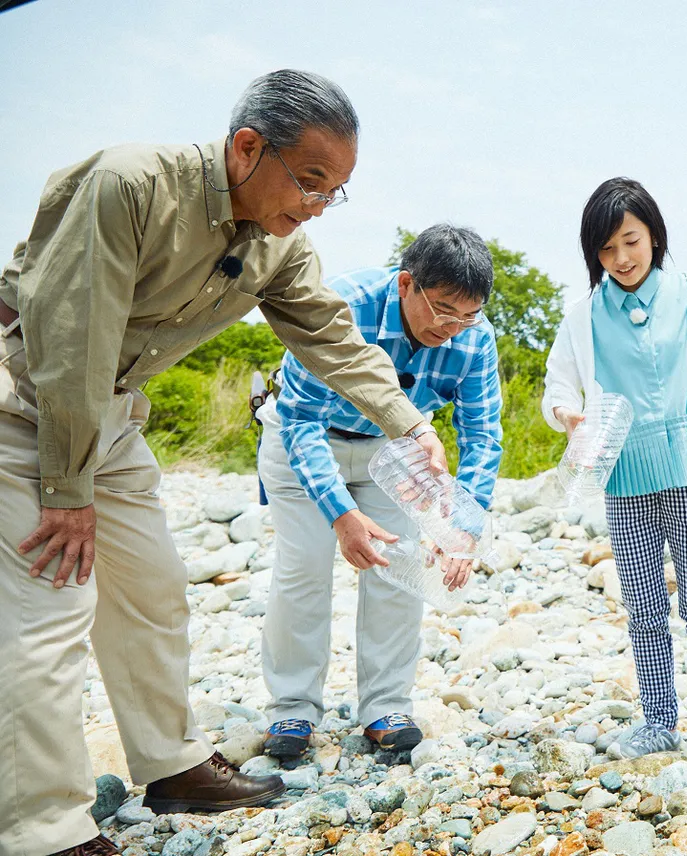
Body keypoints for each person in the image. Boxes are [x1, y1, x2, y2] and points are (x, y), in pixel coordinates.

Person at [0, 70, 447, 856]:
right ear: (247, 148)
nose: (315, 205)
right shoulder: (132, 186)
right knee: (52, 612)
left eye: (333, 192)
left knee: (154, 589)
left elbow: (333, 337)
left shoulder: (278, 245)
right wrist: (65, 488)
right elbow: (71, 340)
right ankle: (41, 828)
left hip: (111, 413)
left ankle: (171, 765)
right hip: (25, 398)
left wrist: (409, 426)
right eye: (310, 181)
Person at [543, 177, 687, 785]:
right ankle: (660, 718)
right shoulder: (581, 316)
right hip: (624, 476)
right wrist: (566, 414)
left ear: (654, 235)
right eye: (606, 249)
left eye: (631, 241)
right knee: (642, 607)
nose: (620, 258)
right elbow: (558, 389)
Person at [257, 224, 502, 759]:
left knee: (398, 568)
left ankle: (386, 707)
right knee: (305, 569)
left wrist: (465, 522)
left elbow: (481, 434)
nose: (454, 329)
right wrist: (341, 516)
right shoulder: (343, 306)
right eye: (442, 310)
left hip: (394, 452)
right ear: (406, 284)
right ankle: (293, 711)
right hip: (304, 438)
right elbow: (299, 421)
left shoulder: (474, 337)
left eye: (469, 315)